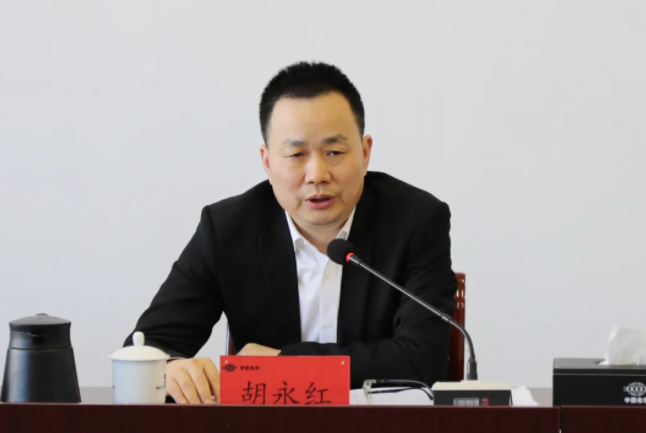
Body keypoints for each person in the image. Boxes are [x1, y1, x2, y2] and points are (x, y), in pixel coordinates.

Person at [124, 61, 458, 404]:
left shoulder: (416, 222)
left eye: (334, 152)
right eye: (296, 154)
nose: (317, 174)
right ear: (267, 162)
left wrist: (284, 363)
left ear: (365, 152)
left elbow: (422, 361)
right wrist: (170, 368)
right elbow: (147, 346)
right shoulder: (227, 230)